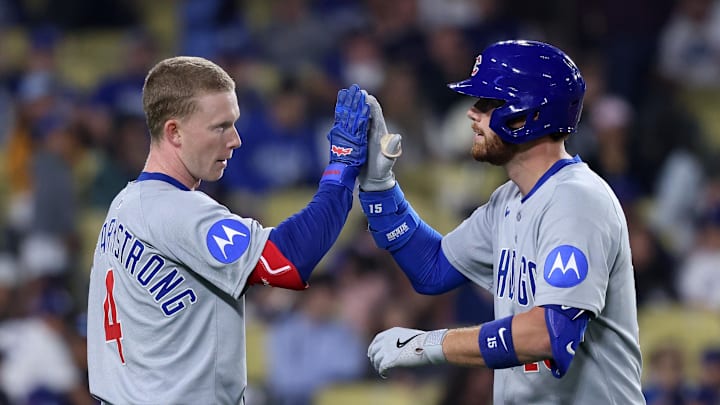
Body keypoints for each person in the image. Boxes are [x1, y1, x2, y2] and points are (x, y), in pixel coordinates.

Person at [360, 40, 645, 404]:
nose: (471, 114)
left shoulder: (577, 200)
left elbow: (548, 333)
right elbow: (432, 269)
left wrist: (430, 344)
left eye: (487, 103)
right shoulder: (508, 199)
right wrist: (380, 189)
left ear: (527, 115)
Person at [86, 56, 370, 404]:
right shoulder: (178, 209)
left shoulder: (124, 205)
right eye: (220, 127)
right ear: (174, 131)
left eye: (233, 124)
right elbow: (287, 262)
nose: (235, 139)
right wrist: (342, 165)